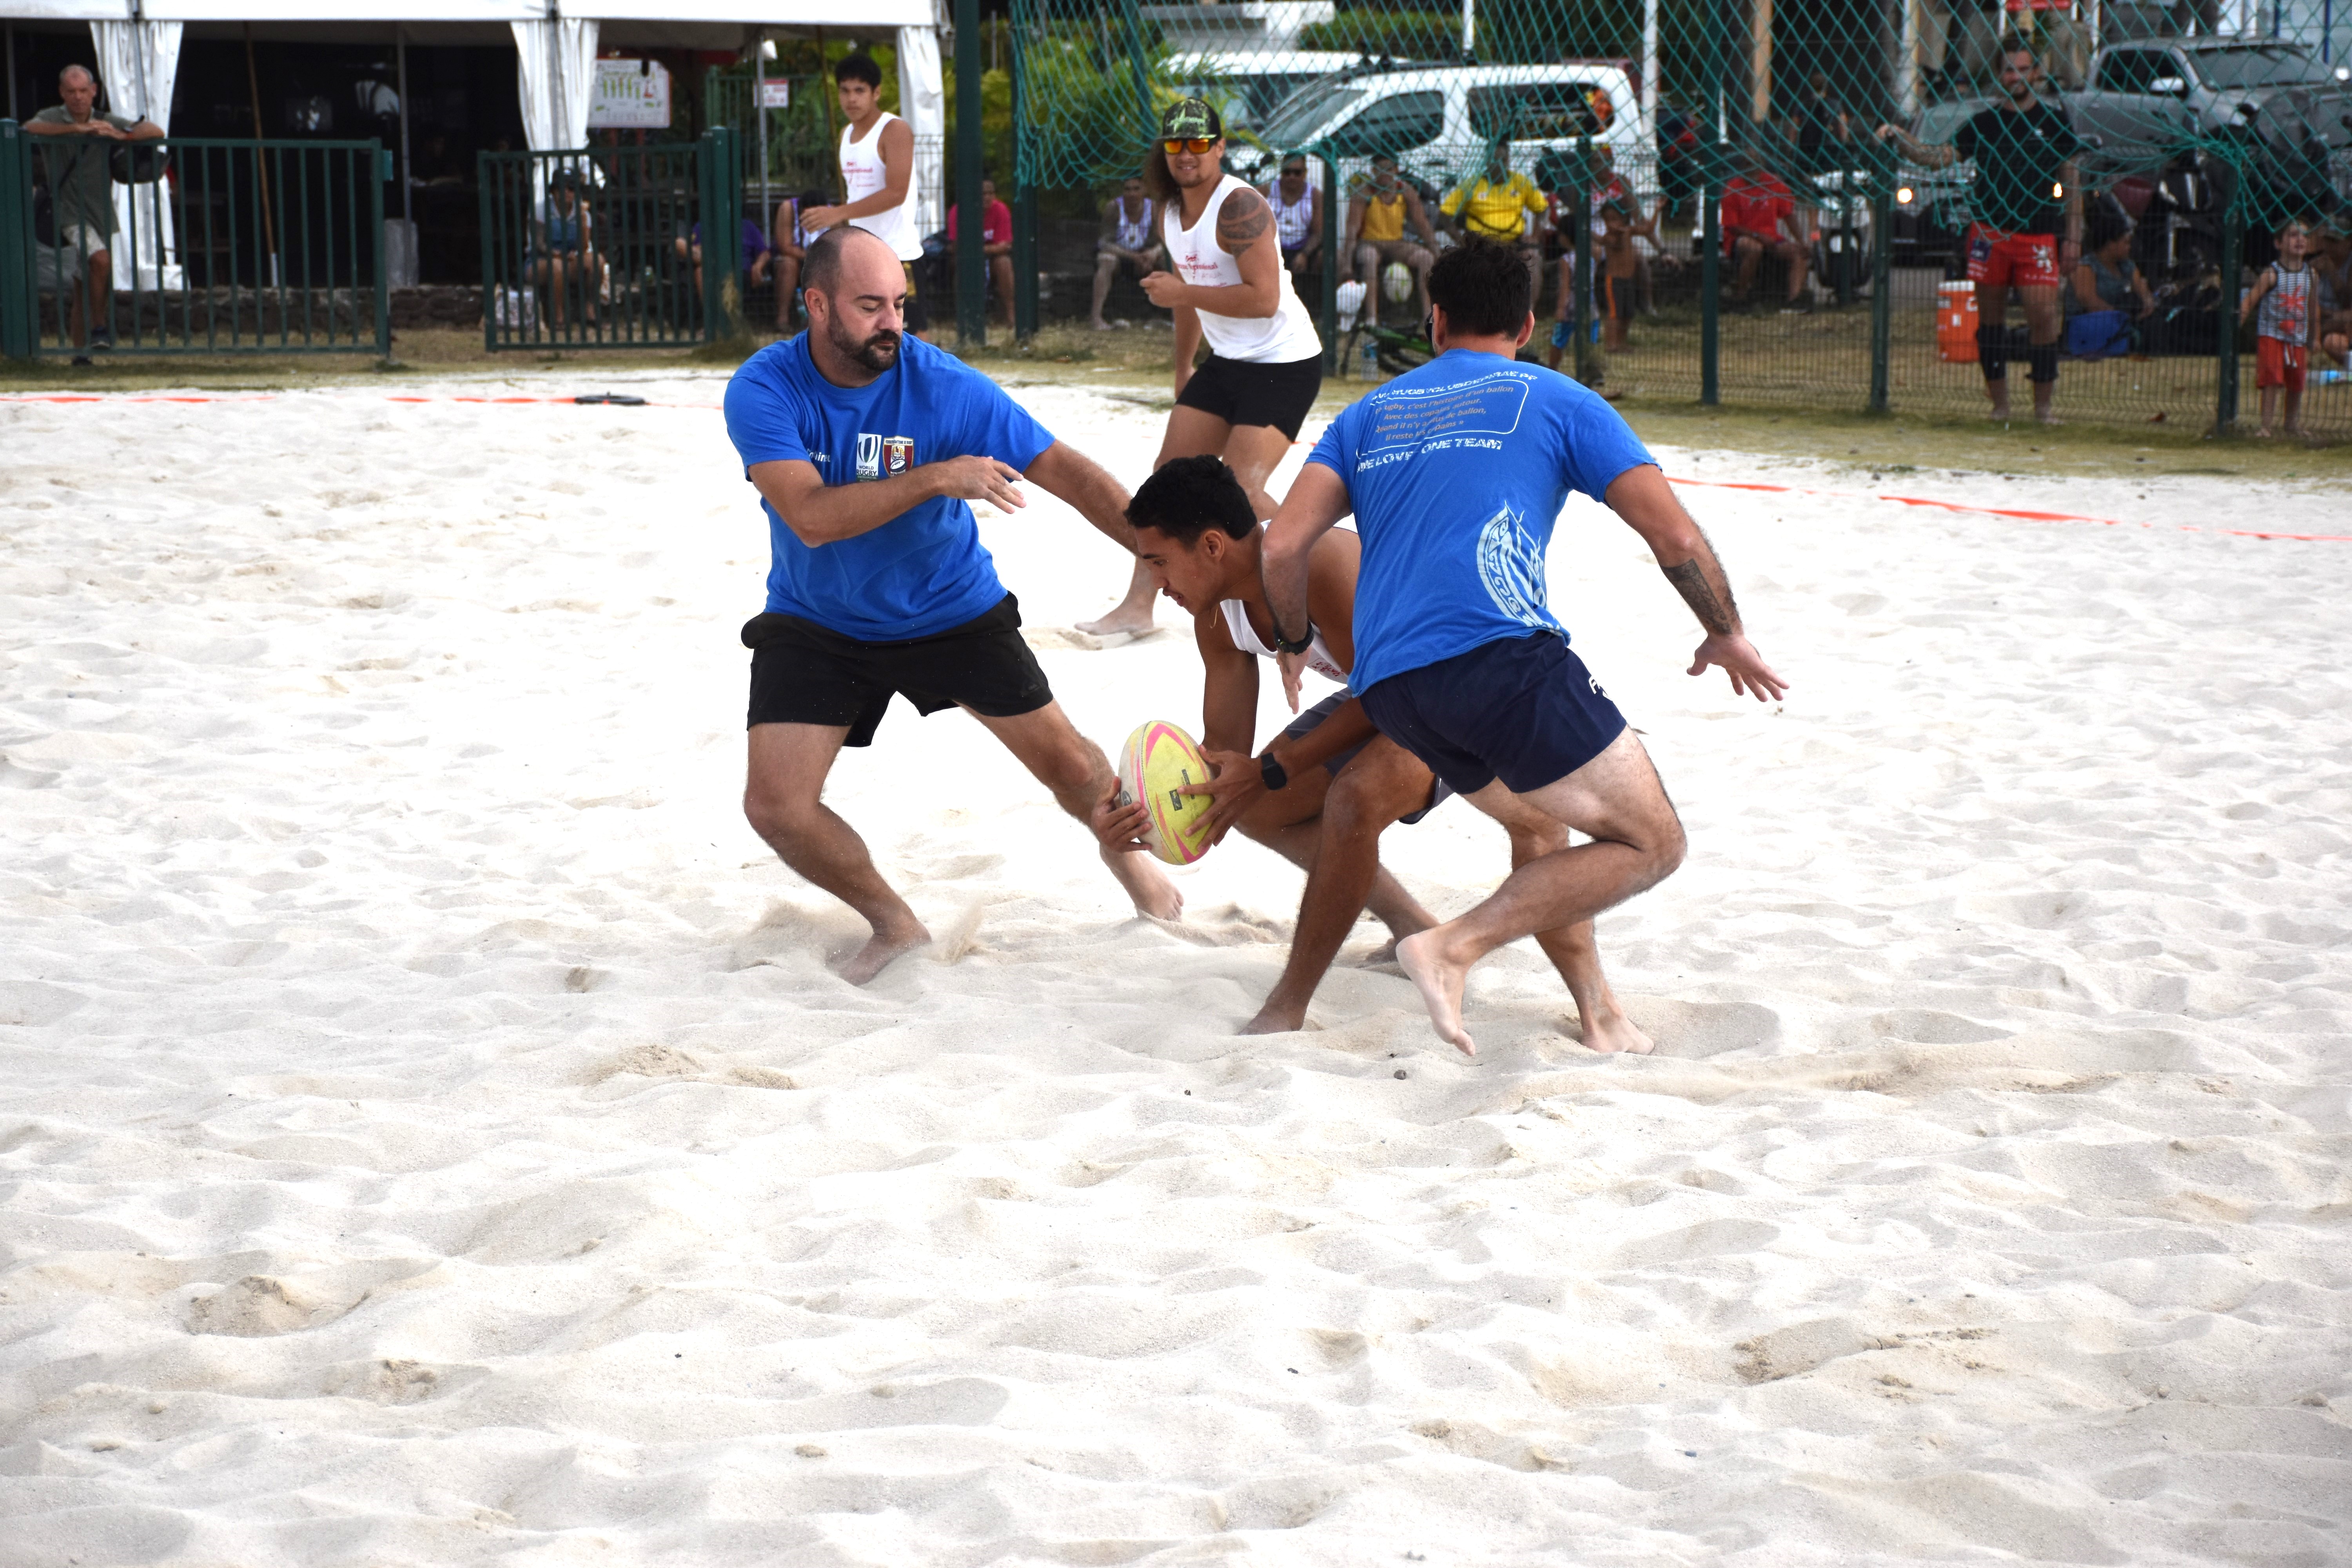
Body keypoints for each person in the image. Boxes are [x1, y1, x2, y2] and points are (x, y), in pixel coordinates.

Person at [1261, 240, 1789, 1058]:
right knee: (1653, 842)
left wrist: (1295, 638)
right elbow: (1675, 536)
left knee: (1541, 825)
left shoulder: (1368, 413)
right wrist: (1724, 631)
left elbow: (1282, 545)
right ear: (1530, 325)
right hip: (1499, 660)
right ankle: (1451, 946)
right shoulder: (1559, 397)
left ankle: (1600, 1013)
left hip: (1395, 690)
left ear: (1436, 321)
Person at [724, 227, 1180, 984]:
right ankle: (895, 924)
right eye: (870, 307)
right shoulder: (765, 388)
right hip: (817, 619)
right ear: (817, 305)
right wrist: (937, 477)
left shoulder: (942, 384)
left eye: (900, 304)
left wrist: (1163, 554)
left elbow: (1068, 472)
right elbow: (810, 516)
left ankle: (1130, 863)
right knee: (775, 806)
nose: (893, 324)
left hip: (948, 607)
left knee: (1072, 766)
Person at [1095, 456, 1446, 1035]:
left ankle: (1289, 1003)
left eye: (1159, 561)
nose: (1157, 583)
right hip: (1384, 695)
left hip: (1465, 686)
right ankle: (1416, 928)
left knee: (1351, 799)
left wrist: (1274, 768)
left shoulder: (1318, 561)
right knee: (1253, 802)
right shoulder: (1216, 616)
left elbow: (1394, 696)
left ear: (1212, 546)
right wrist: (1135, 820)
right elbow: (1221, 768)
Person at [1078, 99, 1326, 639]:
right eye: (1176, 143)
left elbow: (1263, 299)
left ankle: (1328, 577)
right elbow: (1186, 301)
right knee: (1165, 481)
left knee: (1244, 491)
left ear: (1220, 148)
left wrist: (1183, 293)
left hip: (1284, 362)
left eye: (1198, 143)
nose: (1186, 154)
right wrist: (1184, 367)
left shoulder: (1239, 205)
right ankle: (1138, 607)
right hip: (1227, 362)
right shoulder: (1170, 212)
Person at [1877, 38, 2083, 424]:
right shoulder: (1985, 124)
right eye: (2009, 70)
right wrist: (1899, 137)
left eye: (2023, 69)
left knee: (2043, 316)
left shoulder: (2055, 122)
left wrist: (2074, 236)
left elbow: (2072, 180)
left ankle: (2043, 409)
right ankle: (2000, 406)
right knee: (1990, 321)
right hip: (1990, 234)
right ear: (1999, 74)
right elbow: (1937, 158)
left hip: (2038, 233)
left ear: (2037, 73)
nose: (2016, 77)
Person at [25, 63, 163, 358]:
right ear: (62, 93)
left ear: (94, 91)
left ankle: (81, 354)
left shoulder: (105, 119)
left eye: (83, 91)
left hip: (99, 210)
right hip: (68, 209)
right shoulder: (53, 116)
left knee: (83, 285)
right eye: (71, 92)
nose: (78, 97)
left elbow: (154, 130)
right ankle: (99, 327)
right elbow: (29, 128)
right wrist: (76, 130)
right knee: (101, 260)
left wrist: (123, 136)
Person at [800, 55, 924, 318]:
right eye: (845, 91)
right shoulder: (846, 134)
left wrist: (837, 213)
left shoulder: (894, 130)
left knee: (911, 331)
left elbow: (896, 193)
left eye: (860, 91)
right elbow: (858, 194)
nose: (851, 99)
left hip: (897, 251)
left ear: (876, 93)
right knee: (863, 331)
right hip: (860, 255)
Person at [2239, 218, 2317, 439]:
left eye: (2304, 236)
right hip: (2272, 334)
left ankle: (2292, 423)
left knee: (2297, 380)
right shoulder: (2272, 274)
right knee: (2272, 378)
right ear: (2278, 243)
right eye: (2293, 235)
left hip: (2297, 337)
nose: (2300, 240)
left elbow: (2313, 309)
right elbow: (2250, 301)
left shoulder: (2311, 275)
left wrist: (2315, 337)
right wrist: (2240, 320)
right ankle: (2266, 426)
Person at [1344, 152, 1439, 325]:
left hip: (1396, 244)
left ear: (1396, 170)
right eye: (1380, 169)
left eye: (1389, 169)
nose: (1385, 174)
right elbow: (1352, 229)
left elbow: (1422, 225)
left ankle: (1428, 317)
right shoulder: (1364, 193)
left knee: (1426, 258)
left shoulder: (1405, 190)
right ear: (1373, 171)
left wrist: (1436, 252)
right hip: (1370, 243)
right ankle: (1372, 319)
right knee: (1369, 258)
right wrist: (1347, 263)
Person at [1440, 139, 1546, 292]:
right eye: (1494, 160)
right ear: (1487, 161)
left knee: (1533, 257)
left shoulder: (1520, 182)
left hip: (1513, 242)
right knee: (1472, 266)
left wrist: (1535, 236)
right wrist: (1460, 240)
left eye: (1503, 160)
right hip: (1481, 245)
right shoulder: (1472, 184)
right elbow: (1444, 214)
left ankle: (1529, 305)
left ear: (1508, 160)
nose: (1499, 164)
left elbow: (1542, 209)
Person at [1720, 150, 1812, 313]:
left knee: (1799, 253)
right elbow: (1732, 226)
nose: (1753, 171)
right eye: (1748, 166)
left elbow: (1788, 215)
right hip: (1742, 238)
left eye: (1756, 166)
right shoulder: (1733, 188)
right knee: (1754, 248)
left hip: (1771, 238)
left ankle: (1794, 301)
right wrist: (1758, 236)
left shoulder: (1773, 184)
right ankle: (1740, 296)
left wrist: (1801, 241)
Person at [529, 169, 604, 329]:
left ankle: (590, 311)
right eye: (562, 188)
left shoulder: (583, 213)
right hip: (541, 261)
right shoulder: (541, 210)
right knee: (557, 266)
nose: (568, 193)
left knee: (597, 260)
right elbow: (538, 243)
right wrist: (555, 254)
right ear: (554, 191)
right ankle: (559, 317)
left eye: (572, 188)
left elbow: (584, 247)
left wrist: (583, 222)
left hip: (569, 259)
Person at [1091, 174, 1163, 331]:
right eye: (1128, 189)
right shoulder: (1114, 208)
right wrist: (1133, 257)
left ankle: (1172, 317)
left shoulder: (1154, 209)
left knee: (1169, 261)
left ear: (1144, 191)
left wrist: (1153, 253)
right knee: (1106, 260)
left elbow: (1165, 241)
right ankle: (1096, 317)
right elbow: (1104, 243)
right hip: (1120, 257)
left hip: (1145, 258)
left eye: (1137, 189)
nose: (1132, 194)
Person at [947, 174, 1017, 327]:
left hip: (992, 259)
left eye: (991, 193)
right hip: (968, 260)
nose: (987, 197)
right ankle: (964, 317)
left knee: (1004, 263)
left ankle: (1011, 315)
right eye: (983, 194)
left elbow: (1005, 246)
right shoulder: (958, 211)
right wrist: (980, 250)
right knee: (962, 265)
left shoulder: (1001, 210)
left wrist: (976, 249)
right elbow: (956, 246)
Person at [678, 213, 771, 302]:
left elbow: (765, 253)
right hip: (713, 270)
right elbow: (696, 251)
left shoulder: (748, 226)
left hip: (743, 272)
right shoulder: (702, 226)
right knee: (700, 271)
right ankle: (710, 312)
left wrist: (758, 266)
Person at [1263, 153, 1324, 287]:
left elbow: (1319, 233)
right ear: (1281, 173)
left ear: (1305, 174)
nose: (1292, 177)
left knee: (1323, 256)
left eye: (1297, 173)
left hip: (1302, 247)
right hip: (1273, 247)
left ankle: (1314, 295)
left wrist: (1304, 254)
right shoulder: (1266, 191)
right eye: (1287, 172)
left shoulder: (1315, 196)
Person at [769, 188, 826, 331]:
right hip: (795, 257)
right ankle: (782, 320)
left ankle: (817, 323)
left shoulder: (831, 212)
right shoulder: (788, 208)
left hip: (821, 260)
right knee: (788, 265)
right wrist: (810, 257)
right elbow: (785, 246)